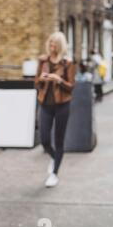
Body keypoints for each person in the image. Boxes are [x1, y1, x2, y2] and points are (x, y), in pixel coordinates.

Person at [34, 32, 76, 188]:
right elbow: (36, 82)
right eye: (50, 44)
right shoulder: (43, 61)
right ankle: (54, 157)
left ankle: (54, 174)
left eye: (55, 45)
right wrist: (41, 79)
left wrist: (59, 80)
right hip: (45, 104)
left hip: (62, 105)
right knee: (44, 139)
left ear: (60, 46)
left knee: (59, 140)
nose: (52, 47)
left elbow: (71, 86)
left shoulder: (68, 63)